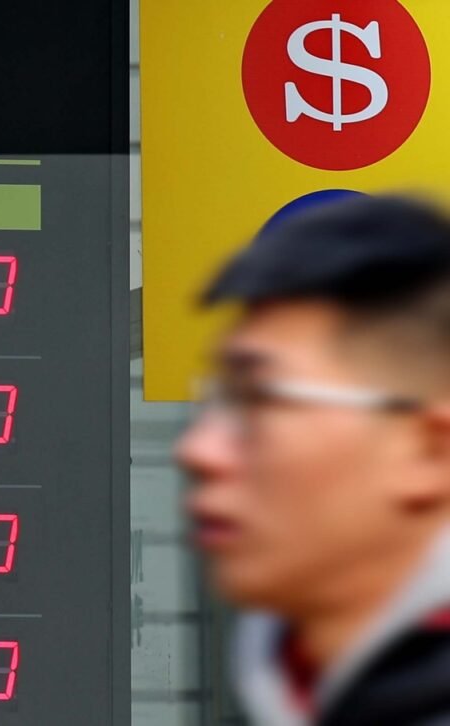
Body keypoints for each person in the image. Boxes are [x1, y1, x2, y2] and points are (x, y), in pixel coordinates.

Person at [177, 195, 450, 726]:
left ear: (428, 451)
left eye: (260, 398)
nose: (198, 450)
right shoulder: (297, 685)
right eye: (218, 402)